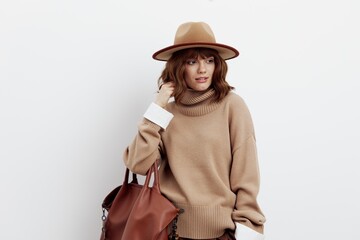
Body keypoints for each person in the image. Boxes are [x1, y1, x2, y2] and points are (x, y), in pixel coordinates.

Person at [123, 21, 266, 240]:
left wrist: (248, 225)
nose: (202, 69)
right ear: (179, 67)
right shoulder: (166, 114)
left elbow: (246, 174)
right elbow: (138, 164)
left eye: (209, 61)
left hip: (221, 234)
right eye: (192, 61)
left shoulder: (232, 106)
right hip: (171, 231)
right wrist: (157, 108)